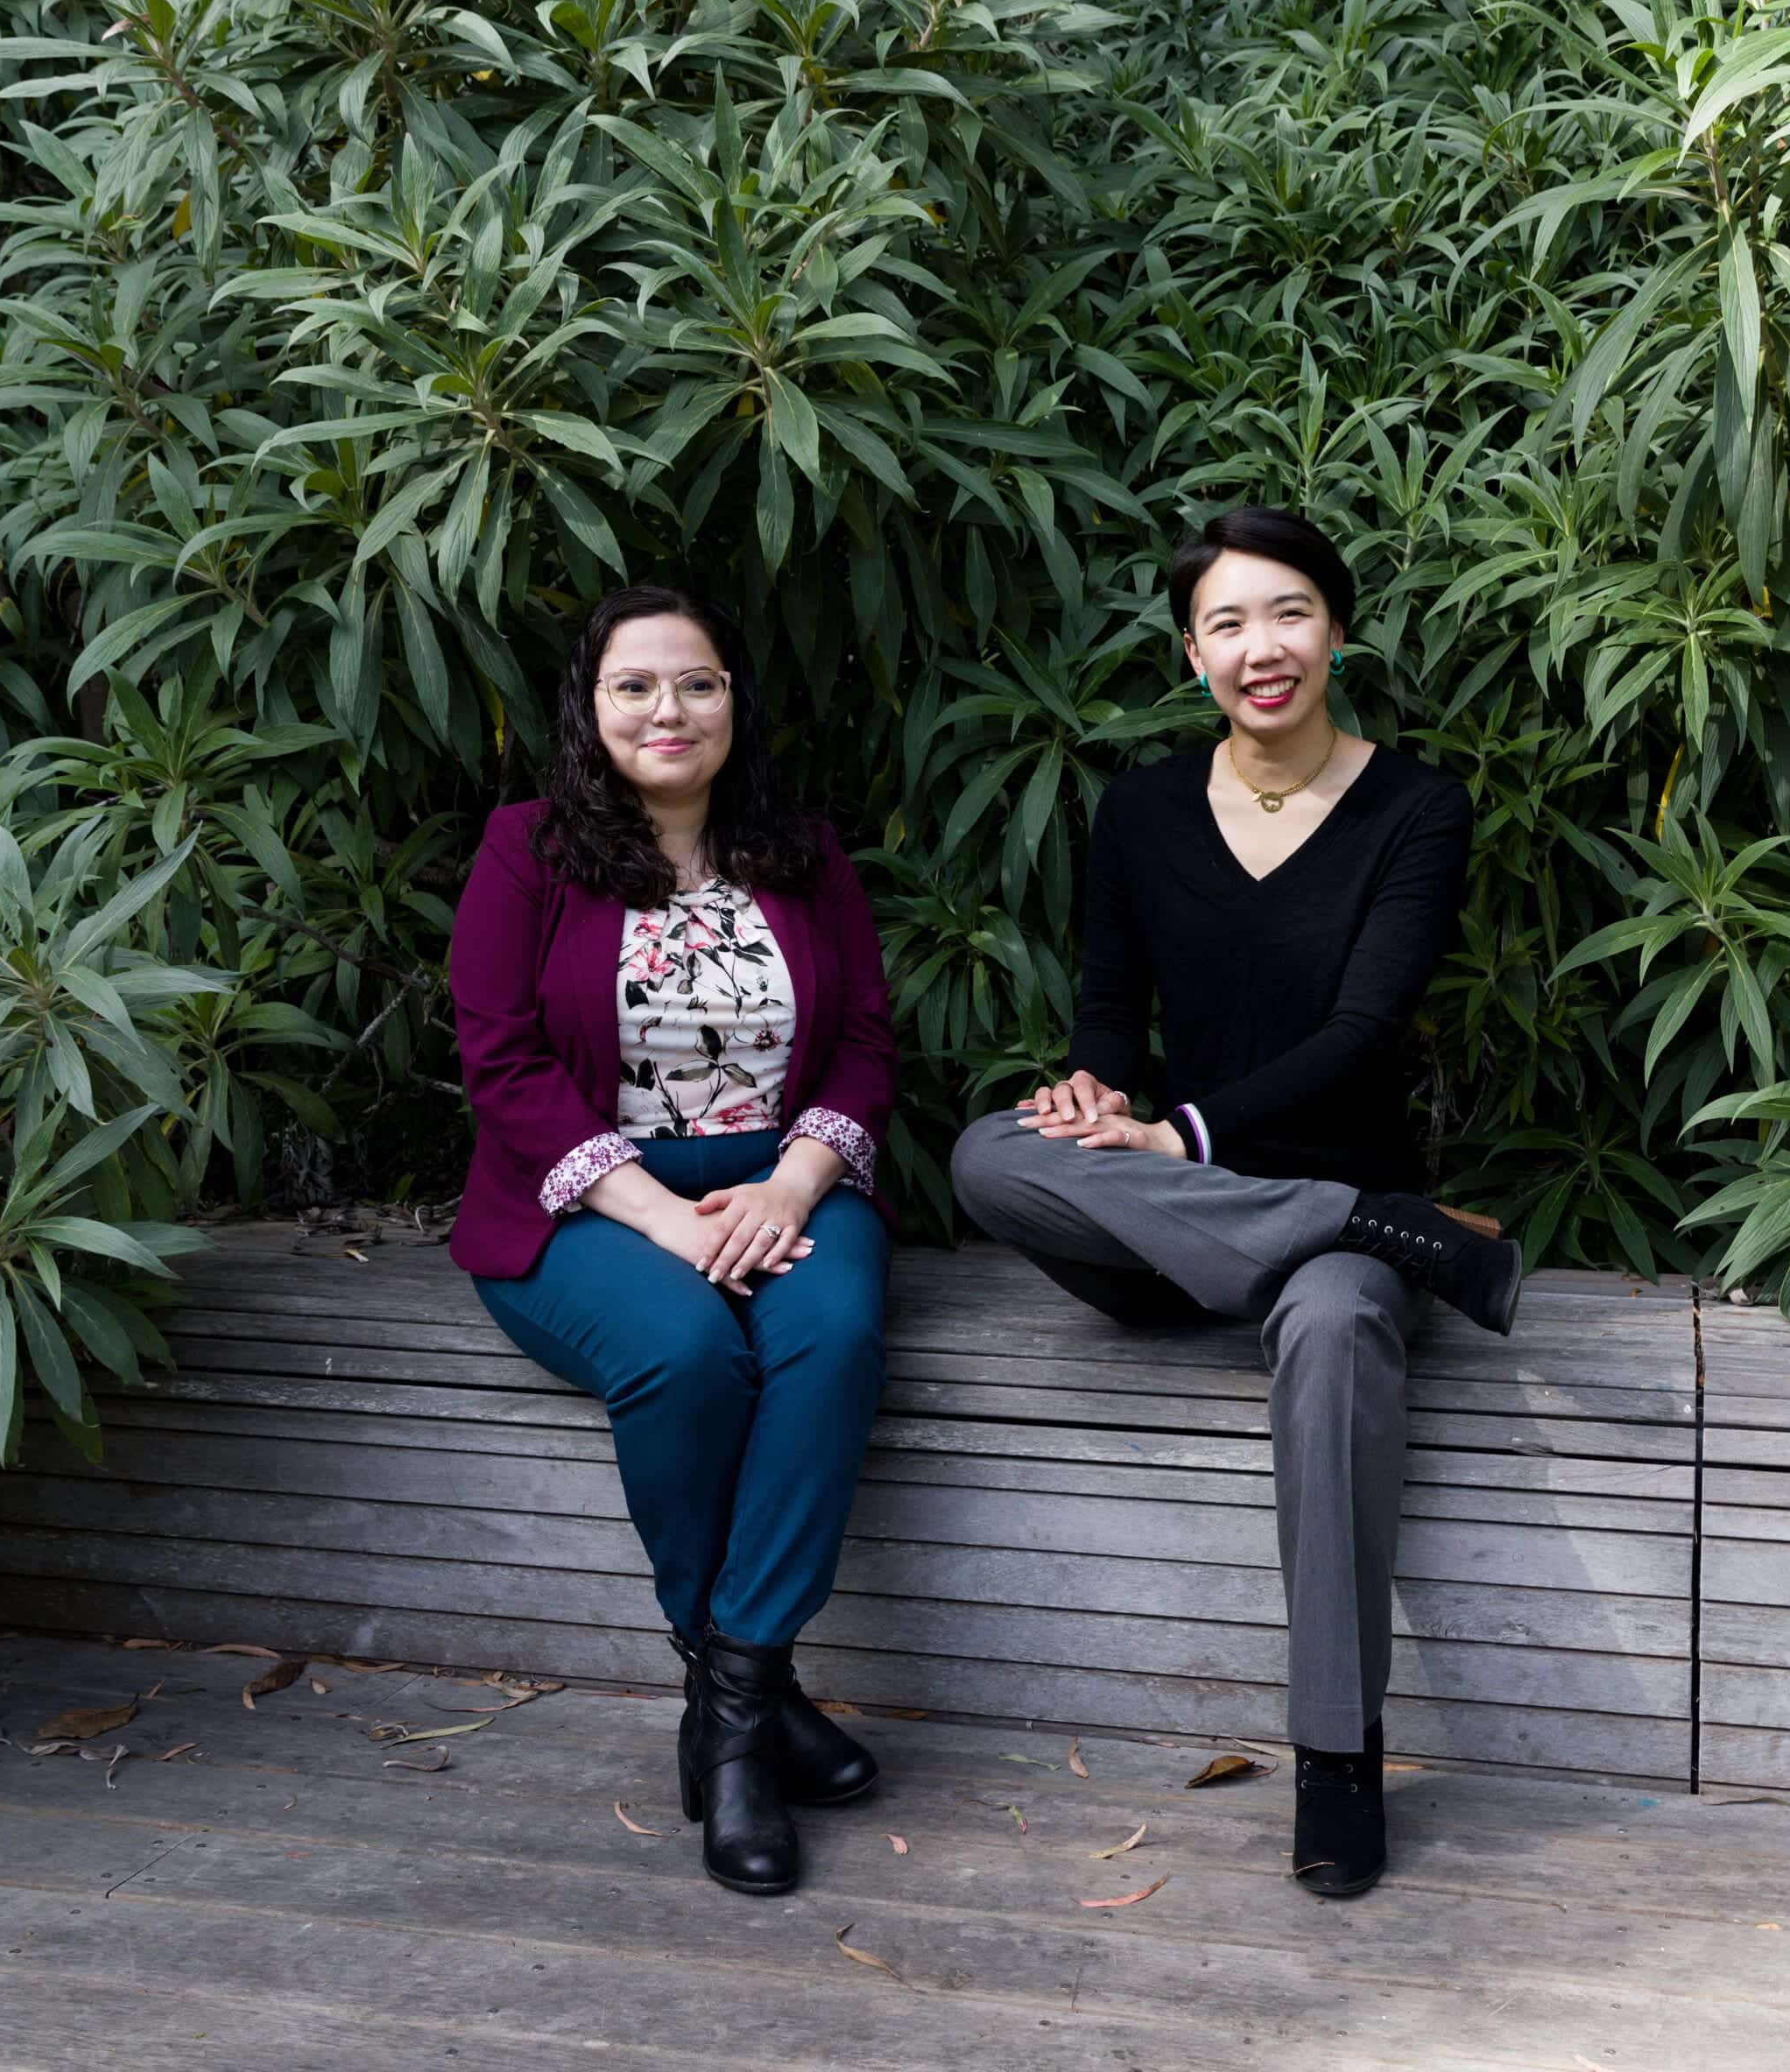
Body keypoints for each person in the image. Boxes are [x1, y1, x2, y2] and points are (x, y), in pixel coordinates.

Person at [948, 505, 1519, 1899]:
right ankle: (1384, 1232)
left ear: (1336, 626)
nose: (1261, 648)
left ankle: (1335, 1758)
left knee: (1329, 1338)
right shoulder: (1138, 808)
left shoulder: (1417, 809)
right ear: (1189, 650)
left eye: (1288, 613)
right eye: (1226, 623)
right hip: (1178, 1209)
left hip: (1270, 1192)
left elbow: (1364, 1033)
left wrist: (1183, 1136)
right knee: (987, 1153)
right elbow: (1108, 1012)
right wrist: (1094, 1097)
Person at [450, 583, 896, 1898]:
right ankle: (753, 1723)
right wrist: (658, 1213)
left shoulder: (804, 853)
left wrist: (792, 1189)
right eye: (634, 685)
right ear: (591, 710)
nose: (668, 709)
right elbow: (501, 1060)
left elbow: (867, 1045)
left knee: (831, 1336)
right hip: (583, 1200)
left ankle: (734, 1706)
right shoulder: (525, 850)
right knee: (688, 1353)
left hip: (791, 1183)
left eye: (697, 683)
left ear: (734, 704)